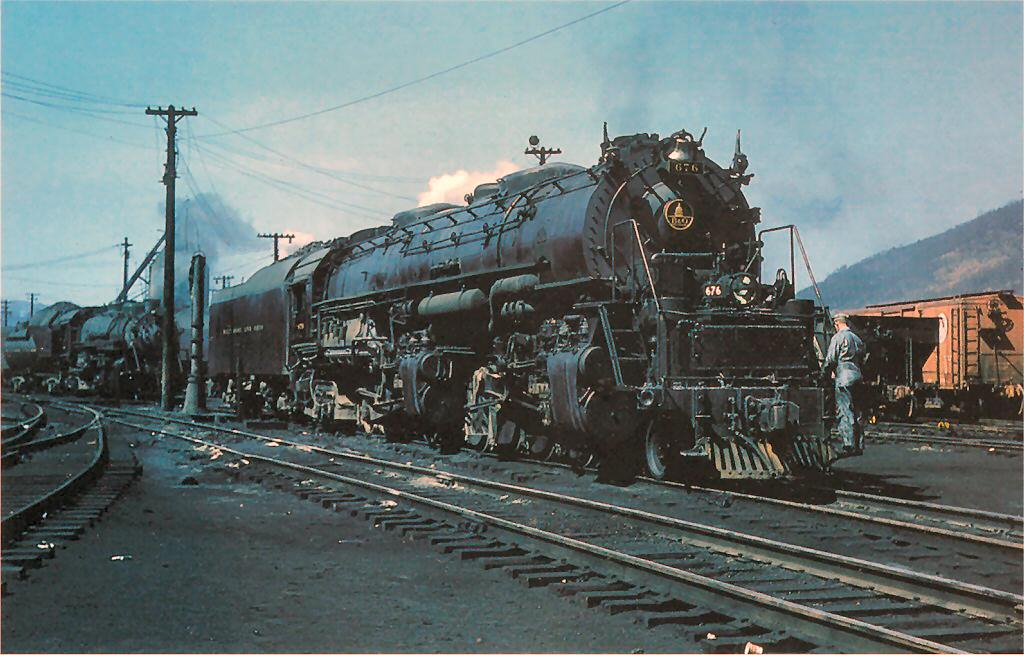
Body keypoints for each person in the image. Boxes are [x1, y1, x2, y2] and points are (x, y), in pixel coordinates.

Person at [821, 313, 866, 455]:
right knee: (857, 411)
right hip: (858, 375)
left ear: (837, 324)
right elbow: (864, 357)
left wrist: (824, 374)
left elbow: (830, 359)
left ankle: (848, 444)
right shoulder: (857, 339)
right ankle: (859, 444)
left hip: (844, 377)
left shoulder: (838, 338)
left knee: (844, 410)